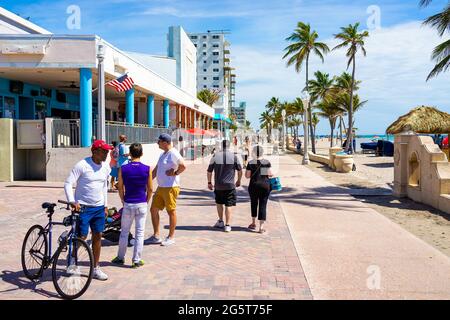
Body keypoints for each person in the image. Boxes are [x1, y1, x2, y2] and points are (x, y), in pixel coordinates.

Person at [64, 140, 113, 281]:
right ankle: (72, 260)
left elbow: (104, 186)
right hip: (83, 208)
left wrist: (105, 205)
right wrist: (72, 201)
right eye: (104, 151)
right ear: (95, 152)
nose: (107, 154)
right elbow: (68, 183)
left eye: (107, 151)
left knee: (98, 236)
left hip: (98, 208)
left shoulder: (105, 168)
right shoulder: (82, 165)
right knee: (82, 236)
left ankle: (96, 268)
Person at [112, 143, 153, 268]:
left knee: (124, 232)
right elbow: (150, 188)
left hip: (129, 203)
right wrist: (146, 200)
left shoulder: (123, 169)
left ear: (129, 153)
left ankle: (120, 257)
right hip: (141, 203)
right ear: (141, 153)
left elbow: (120, 187)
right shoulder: (147, 168)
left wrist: (123, 200)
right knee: (140, 233)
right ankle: (136, 260)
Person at [145, 134, 186, 246]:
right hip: (161, 187)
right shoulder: (163, 154)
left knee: (171, 211)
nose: (157, 143)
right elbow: (156, 170)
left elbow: (183, 165)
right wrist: (148, 183)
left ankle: (171, 237)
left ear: (165, 142)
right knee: (153, 209)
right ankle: (156, 236)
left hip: (171, 187)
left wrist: (175, 173)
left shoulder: (173, 153)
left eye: (159, 141)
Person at [207, 140, 243, 232]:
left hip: (218, 185)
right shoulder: (234, 157)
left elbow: (209, 171)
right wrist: (239, 180)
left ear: (221, 146)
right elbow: (240, 170)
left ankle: (220, 221)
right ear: (229, 146)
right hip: (230, 185)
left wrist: (209, 182)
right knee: (228, 204)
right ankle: (227, 225)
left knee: (219, 203)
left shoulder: (215, 156)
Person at [245, 145, 273, 234]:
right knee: (263, 205)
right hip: (265, 186)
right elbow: (269, 174)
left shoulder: (251, 163)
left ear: (253, 153)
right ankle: (261, 227)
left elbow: (247, 176)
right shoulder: (266, 162)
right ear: (262, 152)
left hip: (253, 186)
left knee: (254, 203)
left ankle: (253, 223)